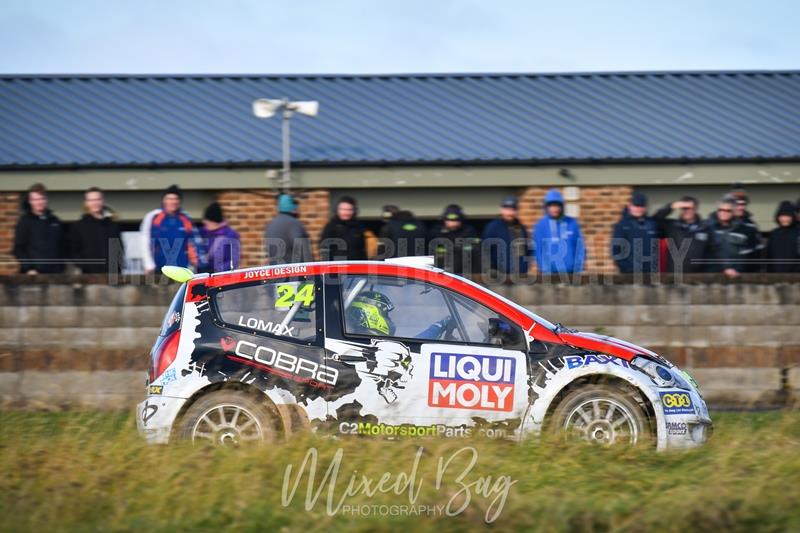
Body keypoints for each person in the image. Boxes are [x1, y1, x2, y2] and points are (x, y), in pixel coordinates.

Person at [139, 184, 204, 273]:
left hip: (182, 268)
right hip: (159, 266)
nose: (173, 202)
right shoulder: (153, 216)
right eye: (169, 199)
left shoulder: (185, 218)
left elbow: (194, 241)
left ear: (179, 201)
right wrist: (148, 264)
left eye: (176, 199)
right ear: (164, 200)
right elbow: (144, 240)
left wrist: (198, 263)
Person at [653, 196, 717, 274]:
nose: (686, 211)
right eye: (684, 208)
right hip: (676, 276)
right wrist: (671, 206)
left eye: (689, 208)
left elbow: (713, 251)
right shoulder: (672, 226)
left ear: (695, 209)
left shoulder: (705, 228)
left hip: (699, 276)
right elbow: (654, 220)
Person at [13, 183, 66, 274]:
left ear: (46, 200)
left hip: (55, 274)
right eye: (35, 199)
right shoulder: (25, 222)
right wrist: (28, 268)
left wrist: (61, 268)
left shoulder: (55, 221)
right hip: (33, 275)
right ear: (30, 201)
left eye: (41, 199)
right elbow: (19, 248)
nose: (39, 202)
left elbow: (62, 247)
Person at [70, 186, 123, 274]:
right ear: (86, 203)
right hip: (90, 278)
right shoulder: (78, 226)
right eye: (91, 200)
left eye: (97, 199)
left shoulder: (113, 225)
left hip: (112, 277)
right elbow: (73, 252)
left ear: (102, 201)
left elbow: (119, 250)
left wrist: (117, 269)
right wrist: (86, 266)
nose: (95, 203)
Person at [532, 189, 586, 274]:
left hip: (570, 272)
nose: (555, 209)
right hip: (548, 274)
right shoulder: (541, 225)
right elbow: (537, 249)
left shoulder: (572, 223)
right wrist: (544, 268)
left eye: (557, 205)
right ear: (546, 207)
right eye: (551, 205)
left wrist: (578, 268)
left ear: (562, 206)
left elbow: (580, 247)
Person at [610, 192, 658, 273]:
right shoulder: (622, 225)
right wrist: (627, 269)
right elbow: (616, 250)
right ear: (630, 206)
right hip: (630, 274)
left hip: (650, 273)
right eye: (636, 205)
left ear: (645, 208)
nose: (638, 209)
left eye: (641, 206)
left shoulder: (651, 224)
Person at [482, 196, 530, 275]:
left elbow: (526, 250)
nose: (509, 213)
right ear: (502, 210)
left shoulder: (521, 228)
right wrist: (492, 270)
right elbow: (485, 250)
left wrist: (524, 267)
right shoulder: (492, 227)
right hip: (499, 276)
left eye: (512, 209)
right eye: (507, 209)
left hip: (519, 275)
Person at [429, 204, 480, 275]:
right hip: (440, 270)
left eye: (456, 220)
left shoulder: (469, 231)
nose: (453, 223)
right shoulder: (435, 232)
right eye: (450, 220)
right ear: (444, 220)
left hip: (465, 271)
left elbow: (475, 250)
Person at [708, 195, 749, 278]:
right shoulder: (707, 228)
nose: (723, 212)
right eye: (721, 210)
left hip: (736, 276)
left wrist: (737, 270)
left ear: (733, 211)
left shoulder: (743, 229)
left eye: (728, 210)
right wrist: (725, 268)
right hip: (711, 276)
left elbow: (747, 255)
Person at [264, 193, 312, 265]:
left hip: (275, 271)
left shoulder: (271, 224)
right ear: (292, 207)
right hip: (293, 270)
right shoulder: (294, 224)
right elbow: (301, 249)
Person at [727, 186, 764, 272]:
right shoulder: (720, 223)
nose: (740, 207)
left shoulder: (752, 226)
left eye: (743, 204)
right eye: (737, 204)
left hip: (745, 272)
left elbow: (757, 253)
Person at [320, 196, 367, 261]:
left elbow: (363, 250)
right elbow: (325, 249)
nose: (346, 212)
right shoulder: (331, 227)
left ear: (354, 211)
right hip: (337, 266)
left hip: (356, 266)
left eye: (349, 210)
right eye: (343, 209)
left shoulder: (358, 227)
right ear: (337, 210)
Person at [199, 202, 240, 273]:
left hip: (221, 275)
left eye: (208, 222)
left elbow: (234, 260)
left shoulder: (230, 235)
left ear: (215, 222)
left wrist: (218, 271)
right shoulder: (201, 233)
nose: (205, 224)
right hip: (202, 274)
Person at [765, 200, 800, 273]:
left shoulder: (797, 233)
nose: (785, 219)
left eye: (788, 216)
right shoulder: (774, 234)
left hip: (795, 276)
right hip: (774, 275)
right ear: (778, 217)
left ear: (792, 217)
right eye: (782, 216)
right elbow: (768, 256)